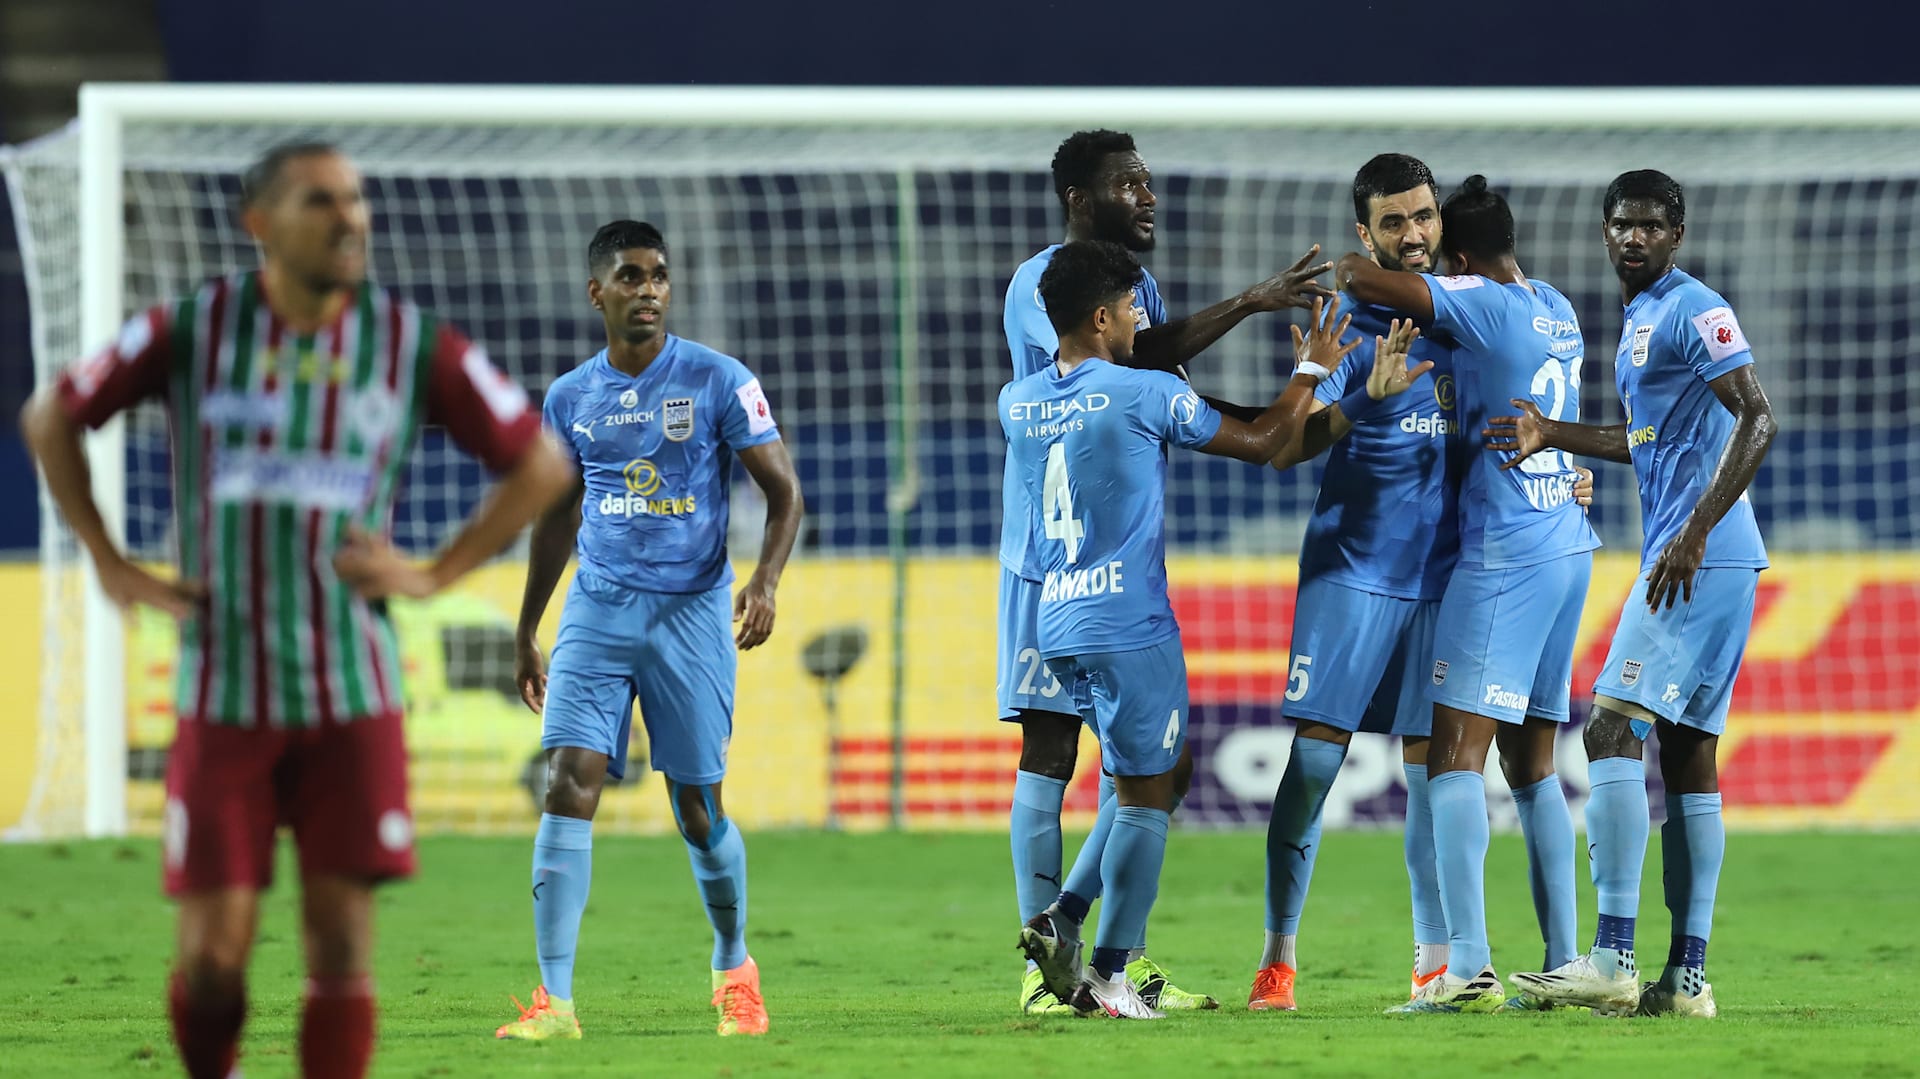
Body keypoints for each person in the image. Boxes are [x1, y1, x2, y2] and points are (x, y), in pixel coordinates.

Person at [19, 141, 576, 1079]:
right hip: (225, 690)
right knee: (212, 953)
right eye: (322, 201)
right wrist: (111, 564)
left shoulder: (407, 342)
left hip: (351, 695)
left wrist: (434, 573)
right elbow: (50, 416)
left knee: (342, 944)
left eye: (356, 201)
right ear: (260, 223)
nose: (350, 218)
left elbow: (543, 464)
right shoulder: (193, 330)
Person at [1008, 238, 1425, 1018]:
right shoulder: (1144, 393)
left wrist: (1362, 395)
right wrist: (1311, 370)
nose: (1142, 319)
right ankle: (1106, 974)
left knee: (1163, 775)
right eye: (1131, 307)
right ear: (1101, 318)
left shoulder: (1018, 401)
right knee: (1144, 798)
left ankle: (1062, 916)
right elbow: (1271, 443)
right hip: (1129, 620)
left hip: (1055, 614)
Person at [1251, 155, 1596, 1013]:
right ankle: (1277, 956)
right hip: (1356, 570)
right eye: (1394, 223)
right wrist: (1361, 401)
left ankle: (1438, 961)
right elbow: (1286, 447)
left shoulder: (1467, 313)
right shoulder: (1350, 321)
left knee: (1432, 771)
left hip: (1451, 574)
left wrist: (1562, 467)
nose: (1414, 234)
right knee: (1317, 765)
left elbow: (1521, 416)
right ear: (1365, 234)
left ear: (1445, 223)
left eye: (1425, 217)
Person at [1001, 128, 1331, 1014]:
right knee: (1056, 749)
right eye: (1128, 184)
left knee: (1157, 773)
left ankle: (1090, 936)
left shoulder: (1086, 338)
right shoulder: (1042, 285)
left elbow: (1159, 375)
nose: (1148, 196)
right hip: (1051, 560)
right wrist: (1295, 378)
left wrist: (1275, 400)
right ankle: (1056, 972)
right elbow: (1144, 374)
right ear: (1080, 198)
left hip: (1075, 579)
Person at [497, 220, 804, 1041]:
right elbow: (555, 517)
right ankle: (555, 1003)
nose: (650, 291)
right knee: (569, 780)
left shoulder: (716, 379)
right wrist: (531, 627)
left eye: (660, 276)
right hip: (597, 608)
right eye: (631, 278)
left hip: (691, 612)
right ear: (598, 292)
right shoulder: (570, 397)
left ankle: (735, 968)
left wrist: (764, 579)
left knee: (697, 808)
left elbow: (784, 493)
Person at [1496, 170, 1775, 1018]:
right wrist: (1551, 433)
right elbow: (1644, 438)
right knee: (1689, 754)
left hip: (1700, 557)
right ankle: (1686, 978)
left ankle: (1612, 953)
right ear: (1605, 231)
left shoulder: (1693, 307)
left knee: (1611, 725)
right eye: (1622, 224)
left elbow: (1758, 416)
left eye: (1652, 225)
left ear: (1677, 233)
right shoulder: (1642, 321)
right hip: (1714, 560)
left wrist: (1692, 530)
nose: (1635, 237)